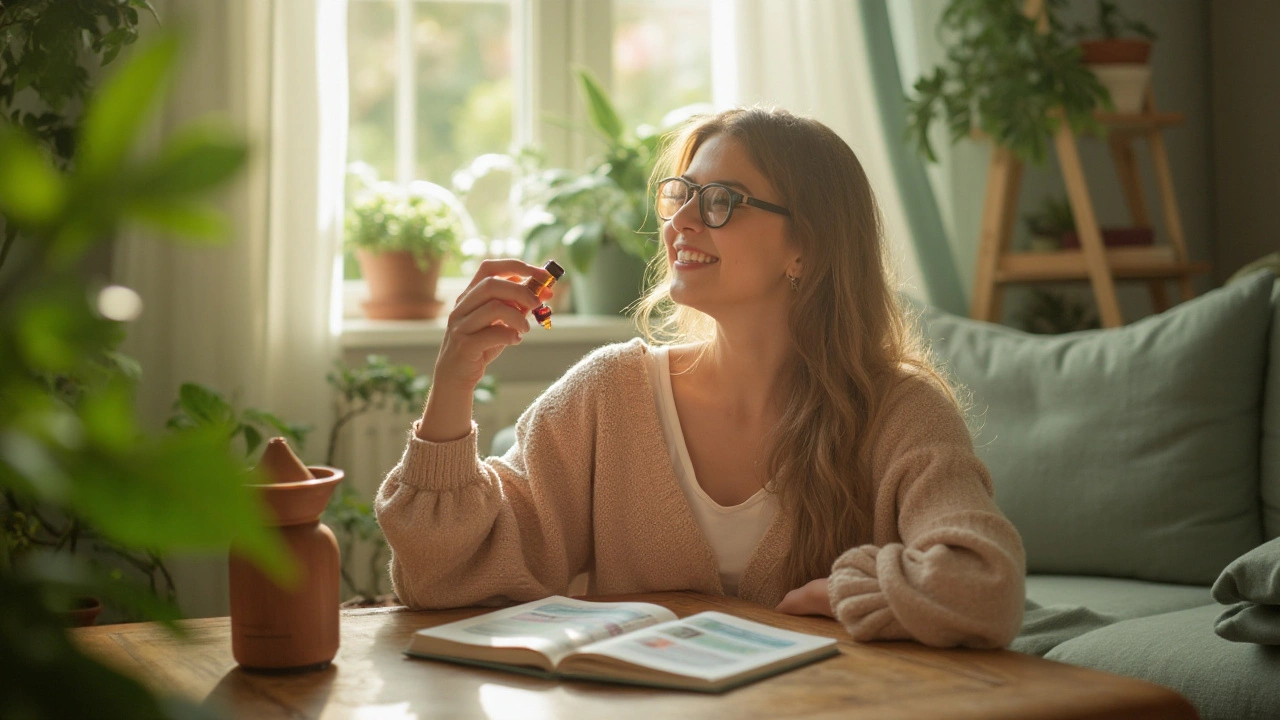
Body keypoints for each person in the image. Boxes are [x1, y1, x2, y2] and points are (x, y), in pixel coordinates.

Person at [375, 107, 1025, 649]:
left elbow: (986, 586)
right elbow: (440, 577)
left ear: (808, 247)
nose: (680, 221)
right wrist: (453, 383)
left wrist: (858, 589)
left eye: (721, 201)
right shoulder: (609, 395)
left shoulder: (898, 410)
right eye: (681, 194)